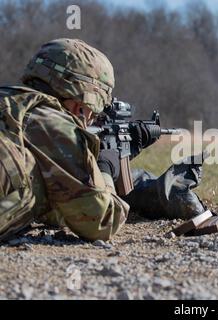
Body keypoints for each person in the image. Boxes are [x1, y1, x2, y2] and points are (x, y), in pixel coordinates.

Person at [0, 38, 207, 242]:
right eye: (94, 112)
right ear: (80, 105)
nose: (92, 118)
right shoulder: (53, 123)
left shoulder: (12, 105)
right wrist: (106, 167)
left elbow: (54, 198)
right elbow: (101, 221)